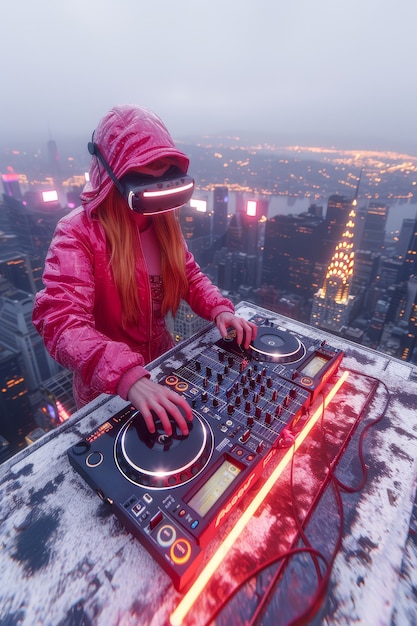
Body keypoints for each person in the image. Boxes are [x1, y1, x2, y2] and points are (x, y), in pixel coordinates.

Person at [32, 104, 257, 437]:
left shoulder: (163, 222)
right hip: (106, 390)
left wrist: (219, 310)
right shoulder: (77, 233)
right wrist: (126, 376)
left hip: (161, 367)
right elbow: (60, 320)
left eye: (163, 177)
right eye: (141, 178)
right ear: (111, 177)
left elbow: (189, 276)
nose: (155, 191)